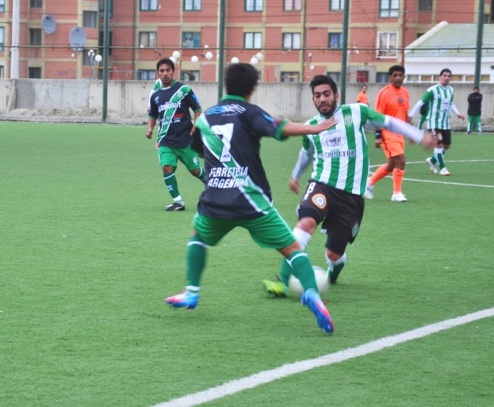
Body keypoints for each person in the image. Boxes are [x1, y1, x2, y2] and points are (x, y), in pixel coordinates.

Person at [164, 63, 337, 334]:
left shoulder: (206, 117)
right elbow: (278, 129)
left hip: (215, 201)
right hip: (251, 200)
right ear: (252, 89)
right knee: (292, 250)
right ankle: (312, 295)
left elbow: (197, 147)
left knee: (197, 237)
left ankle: (191, 292)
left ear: (225, 85)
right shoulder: (250, 112)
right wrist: (313, 128)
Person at [261, 75, 434, 295]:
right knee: (305, 224)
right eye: (317, 95)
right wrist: (296, 175)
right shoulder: (311, 126)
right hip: (321, 184)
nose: (322, 99)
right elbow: (306, 153)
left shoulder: (356, 112)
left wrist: (419, 136)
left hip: (351, 195)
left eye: (326, 94)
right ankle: (283, 282)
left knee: (333, 254)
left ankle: (335, 269)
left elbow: (389, 122)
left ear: (335, 95)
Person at [146, 58, 206, 211]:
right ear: (158, 73)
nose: (165, 73)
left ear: (173, 71)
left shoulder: (183, 90)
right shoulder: (156, 96)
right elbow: (153, 115)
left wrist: (196, 126)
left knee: (195, 171)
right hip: (165, 140)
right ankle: (178, 202)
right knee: (167, 167)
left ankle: (215, 187)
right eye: (162, 71)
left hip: (185, 139)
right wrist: (150, 129)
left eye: (168, 70)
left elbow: (197, 109)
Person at [364, 65, 411, 202]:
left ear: (404, 77)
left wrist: (410, 132)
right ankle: (396, 193)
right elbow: (377, 117)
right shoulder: (384, 93)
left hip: (400, 134)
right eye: (394, 75)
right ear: (390, 77)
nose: (397, 78)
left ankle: (369, 183)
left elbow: (405, 114)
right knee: (401, 160)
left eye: (400, 75)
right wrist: (378, 136)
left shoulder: (405, 92)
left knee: (391, 165)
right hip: (387, 133)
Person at [409, 68, 465, 176]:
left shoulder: (450, 90)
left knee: (446, 146)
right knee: (438, 144)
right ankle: (443, 168)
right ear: (440, 77)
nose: (446, 78)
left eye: (449, 76)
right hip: (434, 122)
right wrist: (411, 115)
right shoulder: (432, 90)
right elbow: (420, 103)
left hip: (445, 123)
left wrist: (457, 113)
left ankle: (433, 160)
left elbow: (451, 103)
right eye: (444, 75)